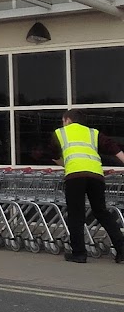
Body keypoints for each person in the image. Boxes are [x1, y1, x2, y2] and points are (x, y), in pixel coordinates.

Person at [50, 110, 124, 263]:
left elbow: (53, 154)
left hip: (75, 176)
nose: (63, 124)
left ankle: (79, 253)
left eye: (63, 121)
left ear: (68, 120)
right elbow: (112, 147)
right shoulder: (93, 133)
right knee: (101, 212)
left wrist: (66, 164)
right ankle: (122, 250)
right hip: (96, 175)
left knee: (76, 215)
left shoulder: (60, 133)